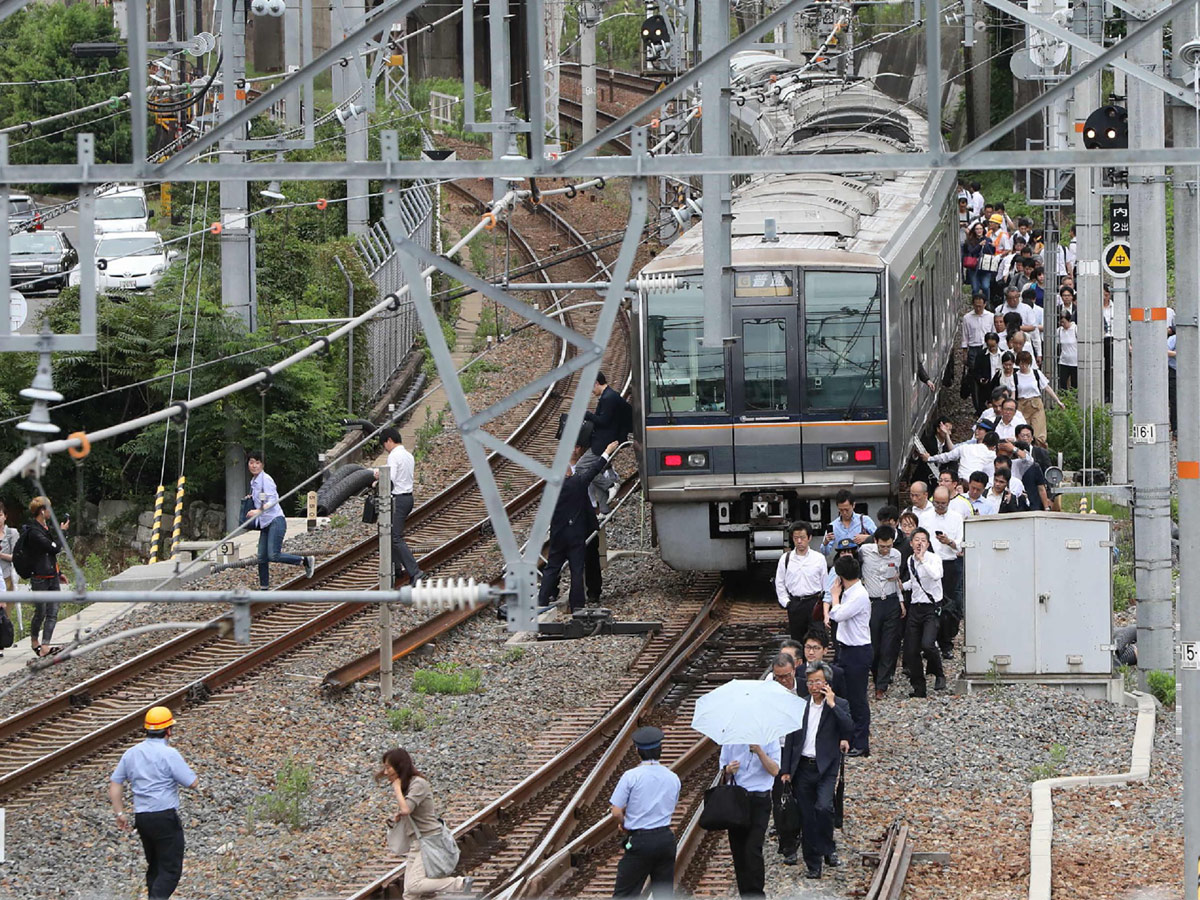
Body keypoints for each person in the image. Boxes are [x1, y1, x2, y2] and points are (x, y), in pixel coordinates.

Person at [109, 707, 199, 899]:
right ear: (168, 730)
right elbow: (192, 782)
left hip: (142, 818)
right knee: (170, 870)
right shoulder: (169, 754)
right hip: (164, 816)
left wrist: (119, 813)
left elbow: (115, 783)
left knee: (156, 867)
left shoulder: (131, 753)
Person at [780, 662, 853, 880]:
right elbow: (791, 739)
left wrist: (832, 704)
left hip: (826, 767)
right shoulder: (800, 705)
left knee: (823, 808)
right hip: (803, 766)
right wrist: (786, 770)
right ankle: (814, 864)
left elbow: (849, 727)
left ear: (826, 683)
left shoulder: (839, 704)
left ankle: (828, 847)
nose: (813, 686)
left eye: (818, 681)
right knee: (807, 816)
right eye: (810, 682)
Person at [377, 747, 473, 900]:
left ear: (399, 766)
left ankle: (459, 883)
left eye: (388, 767)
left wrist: (396, 789)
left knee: (414, 885)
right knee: (409, 893)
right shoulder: (409, 785)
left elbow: (406, 808)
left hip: (428, 840)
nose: (385, 772)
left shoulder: (419, 784)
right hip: (418, 842)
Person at [538, 439, 620, 611]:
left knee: (552, 567)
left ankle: (542, 600)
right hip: (576, 534)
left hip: (558, 533)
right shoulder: (577, 483)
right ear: (568, 473)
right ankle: (577, 604)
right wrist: (607, 451)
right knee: (577, 569)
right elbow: (594, 469)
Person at [610, 725, 681, 898]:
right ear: (660, 750)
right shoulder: (673, 777)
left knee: (625, 894)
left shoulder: (631, 776)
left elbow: (616, 812)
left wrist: (624, 824)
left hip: (640, 841)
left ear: (637, 751)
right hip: (665, 839)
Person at [719, 739, 780, 898]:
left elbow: (774, 770)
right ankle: (744, 894)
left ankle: (757, 894)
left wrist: (760, 752)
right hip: (737, 799)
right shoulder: (731, 739)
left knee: (752, 848)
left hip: (760, 800)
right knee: (738, 850)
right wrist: (728, 769)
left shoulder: (770, 739)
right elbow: (722, 769)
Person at [246, 452, 316, 589]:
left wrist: (258, 510)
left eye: (257, 462)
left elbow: (273, 500)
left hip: (275, 520)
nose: (254, 465)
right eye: (251, 462)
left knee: (273, 555)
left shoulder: (266, 479)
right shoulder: (254, 482)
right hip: (265, 523)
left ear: (263, 464)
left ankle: (305, 560)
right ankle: (264, 587)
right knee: (261, 556)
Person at [827, 555, 871, 756]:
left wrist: (834, 595)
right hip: (846, 649)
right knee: (844, 694)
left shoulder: (858, 594)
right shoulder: (851, 592)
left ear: (840, 577)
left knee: (857, 698)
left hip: (857, 651)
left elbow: (837, 615)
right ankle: (849, 738)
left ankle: (861, 744)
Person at [901, 529, 946, 697]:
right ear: (911, 543)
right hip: (915, 607)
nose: (920, 543)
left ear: (928, 544)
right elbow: (914, 583)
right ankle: (919, 688)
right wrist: (900, 585)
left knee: (927, 644)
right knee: (911, 650)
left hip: (931, 607)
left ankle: (939, 673)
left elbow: (937, 576)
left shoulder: (934, 559)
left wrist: (922, 560)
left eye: (923, 540)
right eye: (916, 540)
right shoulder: (909, 560)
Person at [860, 526, 903, 701]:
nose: (886, 550)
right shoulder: (864, 551)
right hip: (872, 603)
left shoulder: (897, 555)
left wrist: (901, 601)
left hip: (891, 601)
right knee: (874, 647)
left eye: (889, 546)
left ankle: (882, 685)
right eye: (882, 546)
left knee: (889, 646)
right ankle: (876, 676)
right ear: (875, 542)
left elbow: (897, 578)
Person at [377, 430, 423, 586]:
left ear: (389, 440)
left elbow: (390, 479)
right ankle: (396, 569)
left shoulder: (394, 456)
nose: (385, 448)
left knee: (395, 537)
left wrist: (378, 478)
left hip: (398, 499)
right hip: (408, 497)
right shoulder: (408, 455)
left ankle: (415, 572)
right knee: (390, 534)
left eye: (385, 445)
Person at [583, 372, 632, 513]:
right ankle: (604, 510)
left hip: (603, 443)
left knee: (583, 468)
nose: (592, 392)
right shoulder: (609, 396)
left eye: (591, 388)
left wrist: (587, 415)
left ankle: (610, 485)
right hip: (605, 440)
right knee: (597, 470)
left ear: (596, 383)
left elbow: (604, 421)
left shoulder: (609, 398)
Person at [925, 488, 965, 661]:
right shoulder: (925, 517)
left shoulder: (957, 518)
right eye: (937, 503)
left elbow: (961, 545)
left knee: (949, 606)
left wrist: (949, 541)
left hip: (949, 564)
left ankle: (947, 644)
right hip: (931, 563)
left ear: (949, 502)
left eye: (943, 504)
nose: (940, 507)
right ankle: (930, 641)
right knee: (931, 605)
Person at [23, 496, 65, 656]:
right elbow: (53, 549)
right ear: (42, 511)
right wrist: (62, 533)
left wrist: (59, 572)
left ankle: (45, 646)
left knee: (53, 612)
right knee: (40, 612)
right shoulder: (34, 532)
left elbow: (50, 555)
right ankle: (35, 641)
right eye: (49, 509)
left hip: (52, 576)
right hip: (39, 578)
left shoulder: (45, 529)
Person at [774, 522, 828, 641]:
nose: (799, 541)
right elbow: (780, 583)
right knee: (797, 641)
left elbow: (825, 584)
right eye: (796, 538)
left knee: (817, 638)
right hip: (796, 604)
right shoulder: (785, 559)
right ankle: (800, 660)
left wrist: (825, 606)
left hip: (815, 603)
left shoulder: (819, 558)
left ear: (809, 538)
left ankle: (815, 660)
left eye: (802, 538)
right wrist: (787, 603)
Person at [1013, 350, 1063, 445]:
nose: (1023, 366)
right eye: (1021, 363)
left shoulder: (1036, 374)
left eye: (1025, 363)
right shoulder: (1015, 376)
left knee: (1039, 435)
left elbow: (1046, 387)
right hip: (1022, 406)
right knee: (1023, 434)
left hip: (1036, 404)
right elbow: (1013, 393)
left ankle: (1040, 453)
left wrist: (1058, 401)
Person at [821, 490, 876, 560]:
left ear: (853, 505)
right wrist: (825, 542)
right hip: (843, 563)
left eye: (847, 510)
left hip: (863, 561)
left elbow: (880, 538)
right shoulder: (834, 525)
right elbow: (825, 553)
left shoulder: (865, 520)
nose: (844, 513)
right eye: (841, 510)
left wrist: (867, 538)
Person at [1057, 311, 1078, 391]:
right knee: (1062, 384)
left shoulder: (1075, 329)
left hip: (1075, 362)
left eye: (1064, 322)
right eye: (1061, 322)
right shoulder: (1059, 331)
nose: (1062, 324)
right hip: (1064, 361)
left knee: (1074, 385)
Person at [0, 506, 17, 593]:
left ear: (5, 516)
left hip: (7, 576)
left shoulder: (12, 533)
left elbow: (16, 557)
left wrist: (1, 555)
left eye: (0, 515)